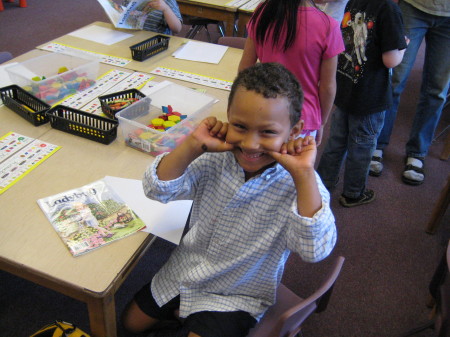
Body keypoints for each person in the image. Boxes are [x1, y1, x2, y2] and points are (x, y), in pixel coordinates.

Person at [122, 63, 337, 337]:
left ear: (294, 132)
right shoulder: (214, 157)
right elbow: (157, 190)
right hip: (184, 272)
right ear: (228, 117)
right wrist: (192, 145)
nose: (249, 143)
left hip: (236, 294)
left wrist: (305, 174)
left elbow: (314, 251)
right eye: (240, 126)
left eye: (268, 132)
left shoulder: (301, 183)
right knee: (129, 324)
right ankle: (183, 317)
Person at [317, 0, 408, 207]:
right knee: (362, 146)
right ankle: (353, 193)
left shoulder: (353, 1)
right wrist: (404, 46)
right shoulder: (389, 9)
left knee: (337, 140)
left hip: (345, 85)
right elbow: (391, 60)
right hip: (370, 95)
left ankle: (323, 182)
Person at [238, 0, 345, 146]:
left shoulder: (263, 11)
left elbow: (245, 69)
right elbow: (328, 87)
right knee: (295, 167)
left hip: (263, 110)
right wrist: (321, 122)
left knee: (260, 165)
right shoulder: (328, 26)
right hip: (302, 119)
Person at [369, 0, 450, 185]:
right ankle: (377, 144)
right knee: (393, 80)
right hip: (414, 6)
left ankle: (417, 152)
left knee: (437, 91)